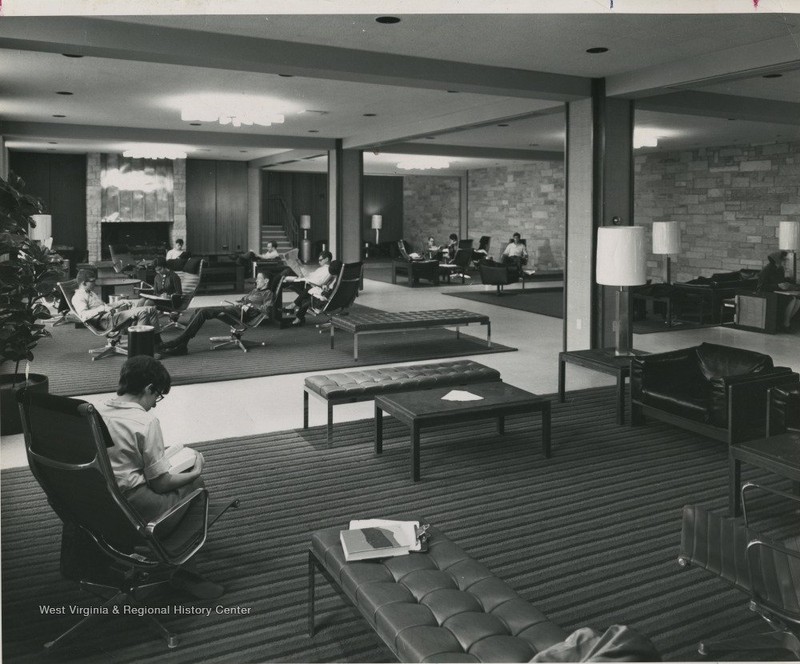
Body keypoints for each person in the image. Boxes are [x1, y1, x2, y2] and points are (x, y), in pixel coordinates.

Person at [95, 356, 222, 598]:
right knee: (197, 489)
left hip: (98, 505)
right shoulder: (145, 421)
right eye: (157, 396)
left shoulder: (95, 412)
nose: (154, 404)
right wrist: (195, 471)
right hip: (133, 509)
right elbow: (160, 483)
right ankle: (182, 571)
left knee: (173, 476)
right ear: (149, 389)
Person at [159, 270, 274, 355]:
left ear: (266, 281)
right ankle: (183, 345)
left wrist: (251, 306)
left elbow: (267, 309)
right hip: (234, 310)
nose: (256, 280)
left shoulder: (268, 293)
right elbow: (244, 299)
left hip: (241, 316)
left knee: (204, 312)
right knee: (199, 310)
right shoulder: (255, 290)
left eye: (259, 278)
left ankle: (179, 341)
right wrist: (240, 302)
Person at [71, 268, 163, 344]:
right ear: (83, 283)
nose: (95, 283)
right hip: (104, 321)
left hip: (109, 317)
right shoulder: (78, 296)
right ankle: (138, 347)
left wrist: (121, 302)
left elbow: (105, 306)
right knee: (143, 312)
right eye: (92, 281)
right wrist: (102, 308)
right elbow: (83, 315)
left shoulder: (90, 292)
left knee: (151, 309)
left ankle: (158, 344)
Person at [290, 260, 342, 326]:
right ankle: (297, 313)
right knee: (309, 291)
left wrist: (321, 292)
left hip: (328, 303)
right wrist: (325, 288)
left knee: (308, 294)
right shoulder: (343, 280)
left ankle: (296, 311)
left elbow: (327, 296)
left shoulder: (336, 282)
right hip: (340, 302)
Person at [757, 250, 800, 329]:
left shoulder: (780, 269)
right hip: (767, 295)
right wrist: (778, 286)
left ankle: (786, 322)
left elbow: (781, 281)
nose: (785, 262)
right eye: (784, 260)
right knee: (792, 299)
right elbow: (761, 287)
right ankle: (786, 324)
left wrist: (788, 284)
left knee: (798, 300)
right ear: (777, 260)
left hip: (776, 292)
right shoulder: (767, 269)